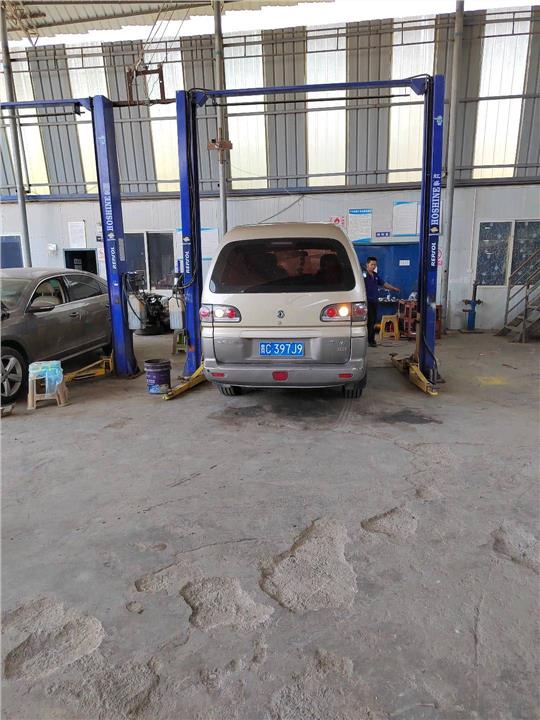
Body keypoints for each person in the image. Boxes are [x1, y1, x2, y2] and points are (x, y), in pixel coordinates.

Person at [363, 256, 400, 347]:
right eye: (372, 264)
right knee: (370, 321)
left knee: (373, 321)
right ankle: (370, 341)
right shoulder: (363, 275)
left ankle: (370, 340)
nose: (373, 266)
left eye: (375, 265)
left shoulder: (375, 276)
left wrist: (394, 288)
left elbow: (384, 284)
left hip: (374, 302)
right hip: (367, 302)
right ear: (367, 264)